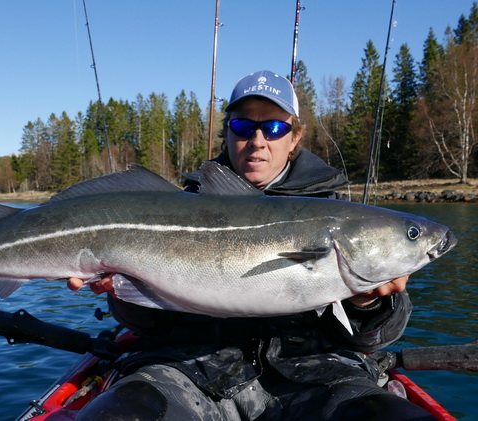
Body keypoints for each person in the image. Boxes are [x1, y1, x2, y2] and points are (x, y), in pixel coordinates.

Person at [67, 70, 435, 420]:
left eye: (274, 127)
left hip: (317, 375)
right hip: (185, 370)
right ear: (227, 133)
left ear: (294, 138)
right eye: (243, 126)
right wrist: (120, 290)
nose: (258, 140)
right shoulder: (172, 209)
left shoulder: (342, 216)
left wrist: (369, 302)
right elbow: (149, 325)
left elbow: (377, 337)